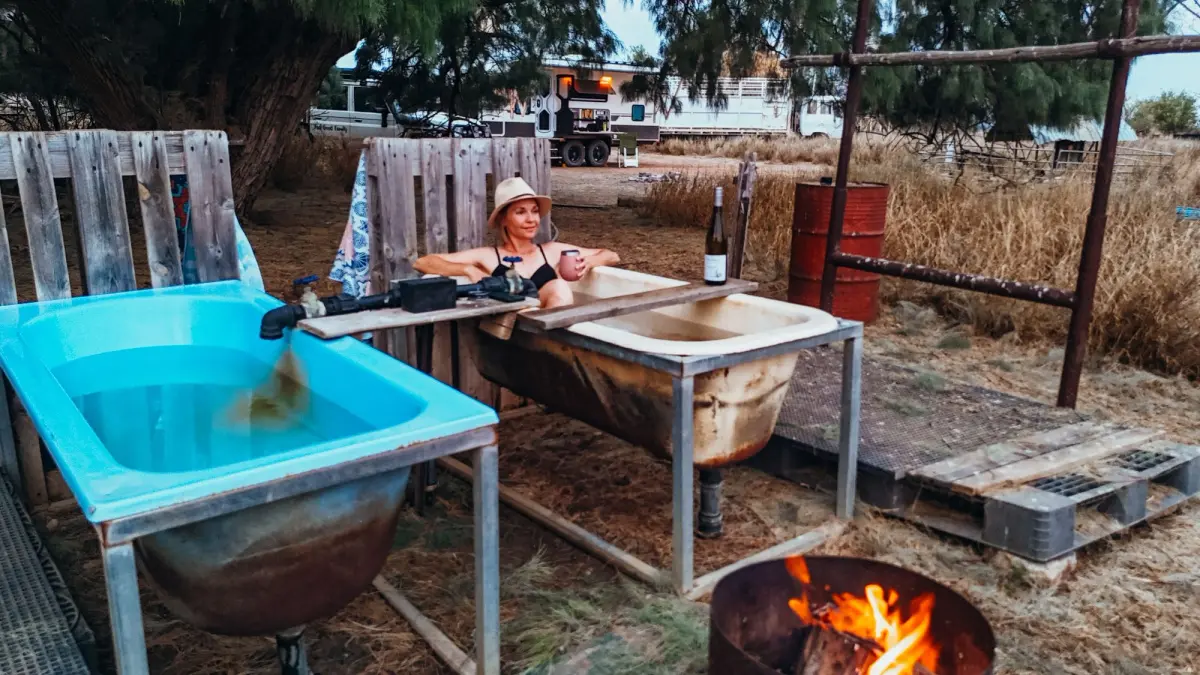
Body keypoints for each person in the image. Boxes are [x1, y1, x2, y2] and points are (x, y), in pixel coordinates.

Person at [412, 177, 619, 308]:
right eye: (520, 212)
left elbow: (611, 255)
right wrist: (468, 269)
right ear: (503, 219)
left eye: (535, 211)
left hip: (549, 328)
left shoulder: (552, 251)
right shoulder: (488, 256)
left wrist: (591, 262)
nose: (531, 220)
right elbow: (422, 262)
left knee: (559, 287)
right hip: (509, 331)